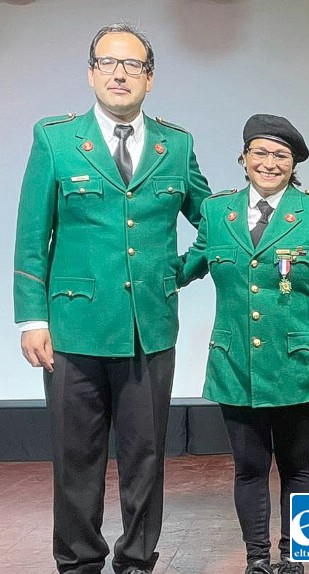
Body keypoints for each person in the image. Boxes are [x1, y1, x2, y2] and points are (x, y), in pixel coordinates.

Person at [13, 23, 211, 574]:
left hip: (150, 328)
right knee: (77, 459)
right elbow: (33, 234)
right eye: (107, 63)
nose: (119, 73)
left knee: (146, 457)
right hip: (73, 327)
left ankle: (137, 560)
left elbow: (213, 224)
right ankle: (78, 563)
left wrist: (179, 272)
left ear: (150, 77)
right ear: (91, 73)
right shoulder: (55, 139)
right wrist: (32, 317)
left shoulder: (178, 144)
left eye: (132, 65)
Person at [180, 114, 309, 574]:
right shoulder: (219, 212)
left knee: (297, 465)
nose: (269, 163)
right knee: (249, 469)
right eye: (260, 152)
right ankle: (257, 559)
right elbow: (189, 265)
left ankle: (297, 557)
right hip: (235, 361)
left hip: (300, 364)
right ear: (243, 158)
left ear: (294, 162)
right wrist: (134, 280)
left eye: (281, 155)